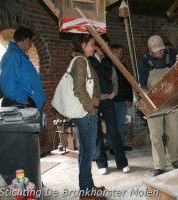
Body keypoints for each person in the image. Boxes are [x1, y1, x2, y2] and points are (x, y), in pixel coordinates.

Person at [138, 35, 178, 176]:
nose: (160, 53)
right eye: (156, 51)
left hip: (172, 99)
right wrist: (146, 98)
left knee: (175, 132)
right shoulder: (144, 62)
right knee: (156, 135)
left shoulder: (172, 54)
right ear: (150, 49)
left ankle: (173, 158)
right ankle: (159, 165)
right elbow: (143, 86)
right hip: (154, 102)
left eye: (161, 50)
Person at [69, 34, 105, 200]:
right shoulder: (81, 62)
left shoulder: (81, 61)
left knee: (85, 152)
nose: (94, 47)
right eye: (92, 44)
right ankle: (85, 194)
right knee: (88, 154)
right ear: (83, 45)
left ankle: (88, 186)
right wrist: (91, 109)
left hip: (85, 113)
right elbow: (79, 89)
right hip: (86, 115)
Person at [89, 41, 130, 176]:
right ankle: (101, 163)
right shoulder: (89, 61)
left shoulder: (108, 61)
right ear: (96, 47)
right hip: (94, 101)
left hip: (107, 99)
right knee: (97, 133)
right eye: (102, 46)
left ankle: (122, 162)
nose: (104, 48)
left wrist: (115, 92)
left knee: (115, 131)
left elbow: (114, 78)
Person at [0, 26, 45, 110]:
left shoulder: (20, 56)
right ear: (26, 39)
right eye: (31, 41)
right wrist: (23, 99)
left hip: (23, 103)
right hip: (19, 104)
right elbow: (8, 84)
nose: (31, 44)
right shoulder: (12, 56)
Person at [107, 44, 133, 153]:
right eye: (118, 52)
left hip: (122, 100)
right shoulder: (107, 65)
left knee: (121, 124)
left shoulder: (123, 66)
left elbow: (128, 83)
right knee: (111, 125)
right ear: (112, 52)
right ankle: (112, 146)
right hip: (111, 99)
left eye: (122, 53)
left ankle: (121, 145)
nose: (120, 55)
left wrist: (130, 98)